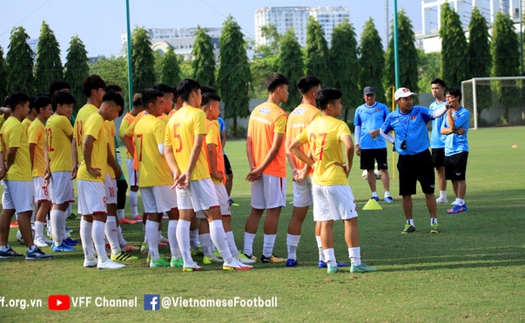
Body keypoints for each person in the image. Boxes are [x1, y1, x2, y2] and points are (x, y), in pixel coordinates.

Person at [164, 78, 251, 271]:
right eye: (200, 94)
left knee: (184, 217)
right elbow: (197, 144)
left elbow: (168, 150)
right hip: (199, 175)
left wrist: (178, 172)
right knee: (214, 215)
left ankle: (187, 262)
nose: (201, 97)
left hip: (181, 177)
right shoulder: (197, 115)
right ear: (194, 94)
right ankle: (229, 260)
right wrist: (187, 171)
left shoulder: (173, 118)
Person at [289, 88, 376, 274]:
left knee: (325, 221)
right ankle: (356, 262)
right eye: (339, 102)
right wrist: (348, 164)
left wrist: (311, 164)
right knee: (350, 220)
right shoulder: (339, 125)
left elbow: (293, 147)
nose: (341, 106)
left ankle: (330, 264)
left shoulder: (313, 125)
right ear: (330, 105)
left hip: (318, 182)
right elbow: (350, 145)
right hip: (336, 180)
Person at [380, 87, 449, 234]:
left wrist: (446, 106)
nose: (409, 101)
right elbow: (382, 131)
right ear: (398, 101)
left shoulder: (419, 111)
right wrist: (393, 141)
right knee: (406, 194)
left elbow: (435, 114)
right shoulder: (392, 117)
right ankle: (409, 223)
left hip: (423, 158)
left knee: (429, 192)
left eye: (410, 98)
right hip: (405, 160)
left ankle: (434, 222)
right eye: (405, 99)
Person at [199, 87, 255, 265]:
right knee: (223, 216)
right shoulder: (211, 125)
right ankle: (231, 254)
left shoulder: (196, 123)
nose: (219, 111)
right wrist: (215, 171)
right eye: (218, 108)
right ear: (210, 108)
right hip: (213, 179)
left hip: (200, 176)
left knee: (204, 217)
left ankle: (209, 253)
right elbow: (210, 148)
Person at [0, 92, 52, 260]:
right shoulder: (15, 125)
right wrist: (8, 164)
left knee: (7, 211)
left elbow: (3, 149)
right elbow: (12, 150)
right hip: (20, 175)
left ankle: (3, 246)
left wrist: (5, 167)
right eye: (28, 107)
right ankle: (31, 249)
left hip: (12, 176)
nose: (30, 110)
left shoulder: (6, 124)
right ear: (19, 107)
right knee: (25, 212)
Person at [243, 73, 289, 263]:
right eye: (286, 90)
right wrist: (261, 168)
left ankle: (246, 251)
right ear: (278, 90)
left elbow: (249, 142)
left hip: (258, 170)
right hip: (272, 170)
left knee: (256, 210)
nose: (287, 94)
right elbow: (276, 147)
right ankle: (267, 254)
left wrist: (254, 167)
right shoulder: (279, 115)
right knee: (274, 210)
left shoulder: (256, 110)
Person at [77, 90, 124, 270]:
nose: (117, 115)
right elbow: (87, 142)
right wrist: (89, 165)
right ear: (109, 106)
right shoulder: (96, 120)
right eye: (117, 111)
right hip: (92, 176)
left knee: (88, 216)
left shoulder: (98, 121)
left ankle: (89, 257)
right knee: (100, 215)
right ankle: (103, 259)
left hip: (87, 176)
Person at [135, 88, 182, 268]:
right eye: (160, 103)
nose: (164, 106)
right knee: (174, 213)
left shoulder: (140, 123)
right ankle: (176, 256)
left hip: (145, 177)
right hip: (160, 176)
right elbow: (164, 150)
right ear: (151, 104)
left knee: (153, 215)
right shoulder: (157, 123)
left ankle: (154, 257)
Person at [284, 75, 325, 268]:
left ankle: (291, 256)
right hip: (313, 172)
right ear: (315, 93)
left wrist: (295, 169)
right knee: (321, 215)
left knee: (297, 216)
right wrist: (306, 168)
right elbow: (312, 145)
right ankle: (322, 258)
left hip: (297, 173)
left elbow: (288, 145)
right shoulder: (316, 113)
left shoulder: (292, 114)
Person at [45, 91, 78, 252]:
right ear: (58, 106)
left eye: (72, 106)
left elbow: (46, 147)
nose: (70, 110)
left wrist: (47, 165)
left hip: (56, 166)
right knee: (58, 203)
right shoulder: (61, 120)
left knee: (62, 202)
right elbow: (76, 137)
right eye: (68, 106)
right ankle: (57, 241)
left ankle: (62, 237)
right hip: (62, 166)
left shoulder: (50, 120)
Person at [354, 86, 393, 203]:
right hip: (366, 145)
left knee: (383, 169)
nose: (369, 97)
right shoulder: (359, 109)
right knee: (369, 170)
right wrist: (357, 144)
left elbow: (389, 124)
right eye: (367, 95)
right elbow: (357, 127)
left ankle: (387, 194)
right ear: (364, 96)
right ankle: (374, 194)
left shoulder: (382, 108)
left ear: (375, 96)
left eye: (371, 95)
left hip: (380, 145)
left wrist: (379, 131)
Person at [28, 96, 54, 247]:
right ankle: (37, 236)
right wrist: (33, 168)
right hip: (38, 172)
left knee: (46, 203)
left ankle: (40, 234)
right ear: (41, 110)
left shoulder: (42, 125)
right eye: (49, 109)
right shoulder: (36, 126)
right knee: (44, 203)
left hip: (42, 171)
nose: (51, 112)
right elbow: (31, 147)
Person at [441, 87, 470, 214]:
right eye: (446, 97)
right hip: (448, 149)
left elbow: (452, 126)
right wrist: (454, 130)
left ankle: (459, 202)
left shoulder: (464, 113)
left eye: (450, 97)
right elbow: (442, 130)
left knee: (460, 177)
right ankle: (460, 202)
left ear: (457, 97)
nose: (447, 100)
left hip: (460, 149)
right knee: (452, 178)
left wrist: (448, 113)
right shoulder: (446, 113)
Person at [118, 97, 144, 223]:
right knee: (134, 186)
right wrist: (134, 154)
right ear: (140, 108)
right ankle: (135, 214)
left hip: (141, 157)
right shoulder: (127, 119)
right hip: (132, 157)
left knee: (140, 185)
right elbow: (123, 135)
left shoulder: (138, 117)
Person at [429, 78, 449, 204]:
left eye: (436, 88)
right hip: (435, 142)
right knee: (439, 170)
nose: (434, 91)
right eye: (432, 88)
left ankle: (459, 198)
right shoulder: (432, 106)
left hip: (448, 142)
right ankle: (443, 196)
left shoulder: (449, 104)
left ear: (443, 89)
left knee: (451, 171)